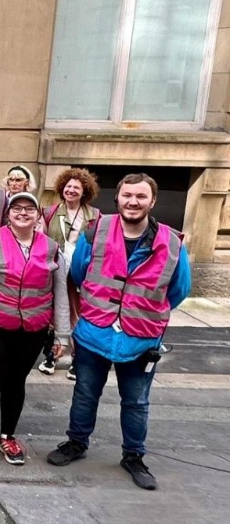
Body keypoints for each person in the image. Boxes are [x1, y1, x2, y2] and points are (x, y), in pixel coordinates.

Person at [47, 173, 191, 491]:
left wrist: (145, 311)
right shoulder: (96, 231)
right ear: (118, 198)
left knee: (137, 402)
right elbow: (80, 274)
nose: (133, 202)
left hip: (141, 338)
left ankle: (133, 456)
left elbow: (180, 289)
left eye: (140, 196)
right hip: (94, 331)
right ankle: (76, 443)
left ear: (152, 201)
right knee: (85, 394)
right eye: (127, 195)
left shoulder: (172, 242)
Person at [0, 192, 70, 466]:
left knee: (16, 381)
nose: (23, 213)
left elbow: (60, 292)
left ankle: (7, 435)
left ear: (38, 216)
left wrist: (61, 334)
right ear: (8, 213)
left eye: (29, 209)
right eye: (17, 208)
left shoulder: (51, 247)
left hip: (33, 327)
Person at [37, 168, 102, 378]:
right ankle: (51, 356)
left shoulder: (96, 216)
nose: (71, 190)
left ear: (84, 191)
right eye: (68, 186)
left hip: (82, 273)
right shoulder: (50, 212)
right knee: (55, 314)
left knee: (79, 316)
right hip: (57, 271)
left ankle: (77, 358)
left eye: (76, 187)